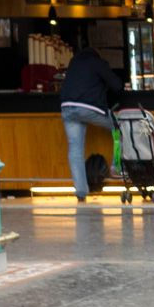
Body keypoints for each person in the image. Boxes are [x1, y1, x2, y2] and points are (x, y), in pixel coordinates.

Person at [58, 40, 122, 203]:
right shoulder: (97, 62)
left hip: (67, 107)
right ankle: (116, 167)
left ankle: (81, 191)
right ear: (96, 53)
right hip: (88, 107)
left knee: (75, 149)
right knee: (119, 127)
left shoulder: (73, 63)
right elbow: (117, 85)